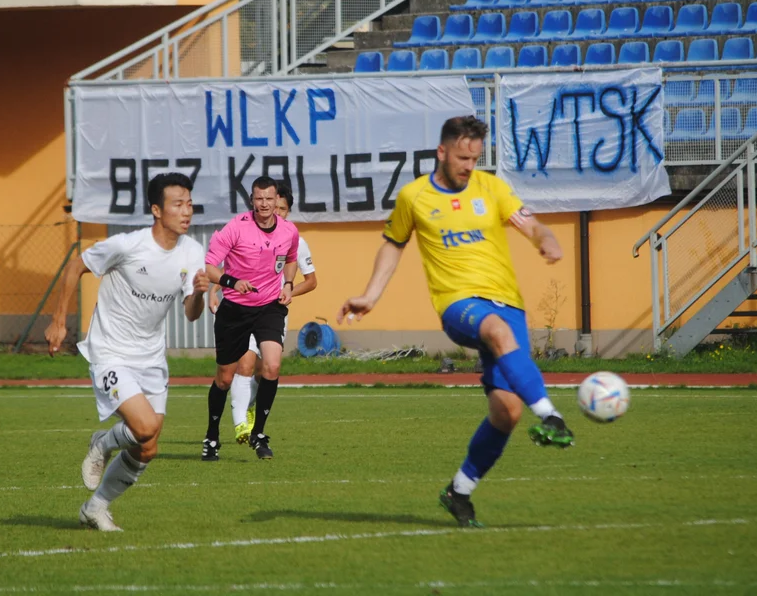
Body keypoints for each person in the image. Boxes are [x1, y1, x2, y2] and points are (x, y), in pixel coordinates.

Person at [337, 115, 574, 529]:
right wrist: (370, 296)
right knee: (498, 334)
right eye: (463, 157)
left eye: (476, 158)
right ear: (442, 152)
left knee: (507, 413)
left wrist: (546, 238)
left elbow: (529, 223)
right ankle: (552, 416)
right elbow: (393, 246)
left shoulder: (492, 189)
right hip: (458, 304)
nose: (469, 166)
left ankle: (458, 492)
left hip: (508, 305)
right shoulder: (415, 197)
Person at [45, 172, 209, 532]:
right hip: (111, 351)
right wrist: (59, 321)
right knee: (144, 425)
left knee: (148, 447)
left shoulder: (193, 252)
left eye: (190, 203)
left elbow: (191, 314)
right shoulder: (127, 245)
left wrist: (198, 293)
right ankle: (102, 443)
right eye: (178, 204)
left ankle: (95, 507)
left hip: (151, 358)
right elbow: (76, 266)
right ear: (156, 209)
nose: (187, 211)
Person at [208, 181, 318, 447]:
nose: (270, 207)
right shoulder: (238, 228)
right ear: (253, 200)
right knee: (235, 370)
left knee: (269, 367)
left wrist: (289, 287)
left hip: (272, 308)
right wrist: (221, 287)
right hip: (238, 308)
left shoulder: (292, 235)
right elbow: (218, 264)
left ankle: (255, 425)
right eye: (262, 200)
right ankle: (225, 430)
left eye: (276, 203)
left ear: (285, 209)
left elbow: (304, 273)